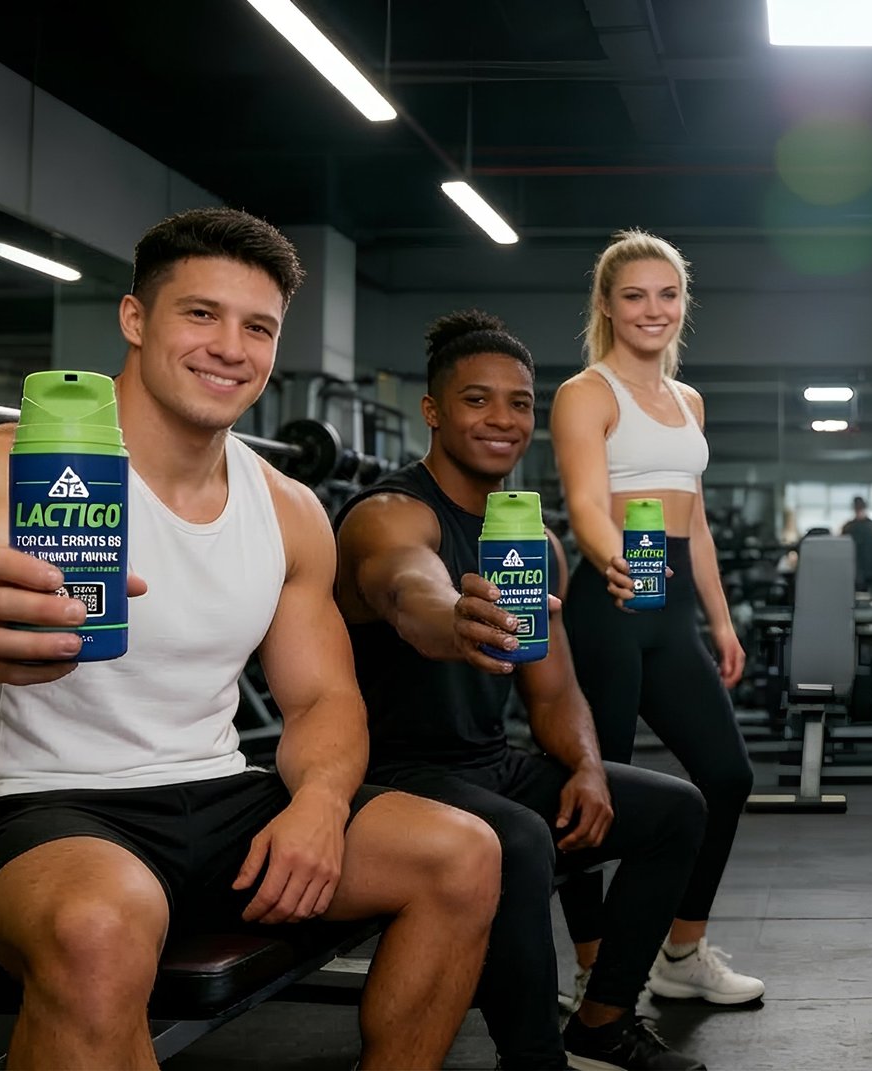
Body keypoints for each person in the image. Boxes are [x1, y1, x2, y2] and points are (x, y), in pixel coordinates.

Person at [0, 207, 500, 1069]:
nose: (231, 346)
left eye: (257, 327)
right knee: (99, 924)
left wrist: (321, 807)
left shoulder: (291, 509)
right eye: (200, 314)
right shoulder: (2, 463)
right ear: (135, 318)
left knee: (462, 853)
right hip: (38, 805)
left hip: (219, 795)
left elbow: (324, 698)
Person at [334, 310, 709, 1070]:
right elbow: (410, 589)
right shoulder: (389, 514)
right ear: (433, 412)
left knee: (675, 811)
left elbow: (553, 690)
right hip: (388, 778)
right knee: (520, 834)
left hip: (484, 765)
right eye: (477, 400)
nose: (502, 419)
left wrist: (588, 766)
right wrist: (455, 618)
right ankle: (533, 1056)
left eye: (519, 402)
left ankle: (601, 1021)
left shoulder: (533, 542)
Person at [550, 229, 765, 1005]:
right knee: (590, 791)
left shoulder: (688, 400)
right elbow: (581, 502)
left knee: (727, 776)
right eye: (634, 295)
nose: (653, 309)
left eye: (667, 294)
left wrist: (723, 619)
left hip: (670, 605)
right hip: (609, 606)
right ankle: (590, 961)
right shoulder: (586, 392)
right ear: (607, 305)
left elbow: (697, 522)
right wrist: (618, 561)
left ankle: (681, 950)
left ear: (683, 303)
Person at [839, 495, 872, 594]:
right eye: (857, 507)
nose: (859, 509)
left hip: (871, 568)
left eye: (860, 506)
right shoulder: (848, 527)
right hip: (855, 568)